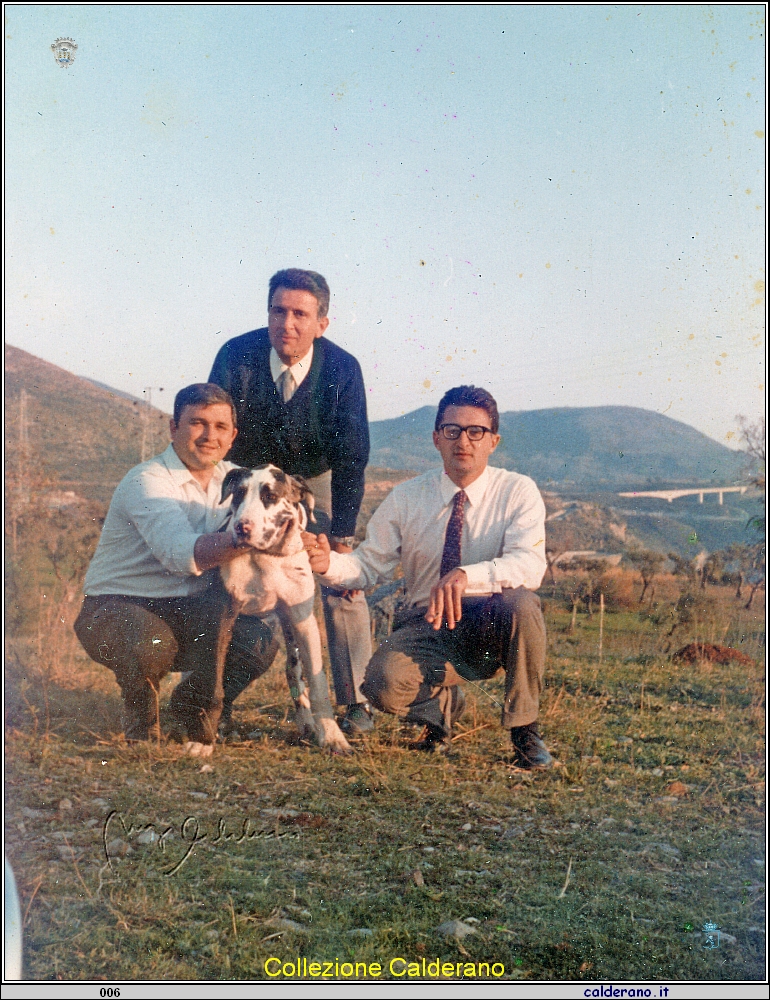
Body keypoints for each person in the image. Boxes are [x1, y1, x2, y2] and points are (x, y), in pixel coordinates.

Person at [304, 385, 553, 768]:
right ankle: (440, 706)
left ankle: (525, 732)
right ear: (437, 438)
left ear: (494, 441)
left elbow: (530, 564)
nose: (463, 442)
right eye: (452, 431)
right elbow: (369, 565)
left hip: (492, 624)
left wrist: (466, 576)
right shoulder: (406, 498)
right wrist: (327, 564)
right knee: (382, 686)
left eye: (476, 432)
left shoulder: (518, 491)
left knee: (522, 602)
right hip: (428, 623)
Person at [208, 267, 374, 734]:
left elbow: (352, 458)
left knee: (338, 580)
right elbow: (216, 432)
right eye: (278, 311)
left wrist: (340, 536)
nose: (288, 324)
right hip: (243, 482)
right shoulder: (236, 355)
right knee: (225, 584)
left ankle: (355, 701)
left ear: (322, 322)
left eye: (301, 314)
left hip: (311, 481)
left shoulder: (343, 370)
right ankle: (211, 697)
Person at [74, 383, 281, 744]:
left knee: (256, 642)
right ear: (173, 428)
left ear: (233, 436)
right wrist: (247, 536)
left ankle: (191, 709)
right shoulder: (147, 481)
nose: (208, 436)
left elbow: (280, 513)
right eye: (197, 423)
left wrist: (306, 539)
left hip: (187, 609)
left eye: (219, 427)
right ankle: (142, 723)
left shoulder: (236, 479)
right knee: (150, 643)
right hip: (117, 606)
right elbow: (181, 554)